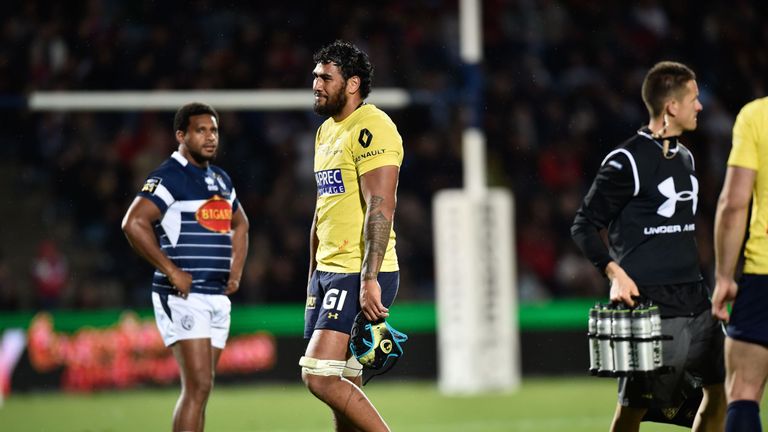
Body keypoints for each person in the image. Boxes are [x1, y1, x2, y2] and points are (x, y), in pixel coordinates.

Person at [570, 61, 726, 431]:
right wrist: (615, 273)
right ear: (671, 106)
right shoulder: (626, 160)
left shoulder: (686, 157)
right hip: (650, 303)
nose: (700, 106)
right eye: (693, 98)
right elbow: (584, 224)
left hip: (695, 297)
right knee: (634, 409)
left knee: (724, 392)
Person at [121, 102, 249, 432]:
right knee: (197, 386)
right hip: (183, 296)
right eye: (201, 130)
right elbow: (134, 222)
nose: (210, 137)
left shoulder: (220, 179)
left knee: (202, 390)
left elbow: (241, 224)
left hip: (215, 295)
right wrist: (171, 270)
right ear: (181, 135)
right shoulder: (170, 176)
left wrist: (235, 271)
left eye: (214, 130)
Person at [299, 40, 403, 432]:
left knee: (319, 376)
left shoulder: (372, 127)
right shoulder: (326, 132)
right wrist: (313, 274)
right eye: (315, 77)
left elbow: (381, 205)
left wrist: (369, 278)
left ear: (353, 84)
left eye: (326, 78)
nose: (316, 85)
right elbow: (323, 208)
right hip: (329, 271)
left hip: (357, 271)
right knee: (345, 380)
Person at [712, 96, 768, 432]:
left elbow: (733, 203)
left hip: (764, 274)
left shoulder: (757, 116)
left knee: (744, 389)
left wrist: (724, 277)